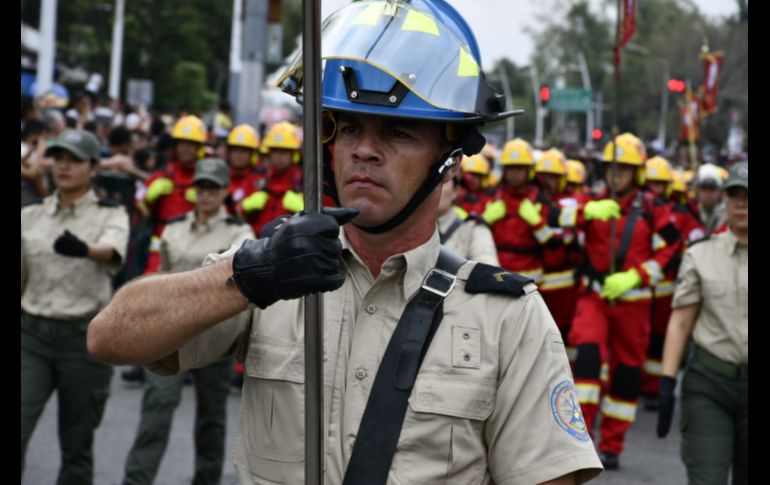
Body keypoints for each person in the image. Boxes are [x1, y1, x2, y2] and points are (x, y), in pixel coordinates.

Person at [88, 1, 602, 483]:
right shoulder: (269, 274)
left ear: (450, 156)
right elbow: (111, 337)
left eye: (399, 132)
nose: (364, 151)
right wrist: (245, 277)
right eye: (348, 127)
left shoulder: (507, 317)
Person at [553, 133, 682, 470]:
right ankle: (579, 443)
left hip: (634, 305)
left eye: (624, 170)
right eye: (611, 169)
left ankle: (611, 445)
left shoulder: (654, 209)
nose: (616, 176)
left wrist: (638, 275)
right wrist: (586, 211)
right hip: (593, 299)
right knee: (587, 367)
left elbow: (672, 249)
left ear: (637, 173)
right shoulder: (590, 202)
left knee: (626, 377)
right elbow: (552, 217)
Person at [122, 158, 253, 485]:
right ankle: (136, 480)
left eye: (213, 187)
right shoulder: (173, 227)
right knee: (156, 410)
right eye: (201, 186)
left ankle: (206, 480)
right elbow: (157, 274)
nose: (206, 193)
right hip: (170, 334)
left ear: (225, 190)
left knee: (211, 419)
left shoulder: (240, 232)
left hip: (217, 334)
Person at [21, 129, 130, 483]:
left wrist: (84, 249)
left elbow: (111, 250)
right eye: (59, 158)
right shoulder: (30, 216)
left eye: (75, 160)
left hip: (83, 340)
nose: (64, 166)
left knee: (76, 445)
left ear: (94, 167)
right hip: (31, 336)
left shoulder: (111, 214)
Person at [657, 161, 748, 485]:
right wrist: (667, 383)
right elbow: (681, 322)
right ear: (725, 199)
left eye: (748, 196)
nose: (742, 204)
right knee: (707, 478)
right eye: (735, 195)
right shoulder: (701, 254)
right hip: (711, 383)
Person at [437, 171, 499, 265]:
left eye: (441, 182)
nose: (433, 189)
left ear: (456, 191)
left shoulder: (474, 230)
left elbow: (487, 268)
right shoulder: (408, 227)